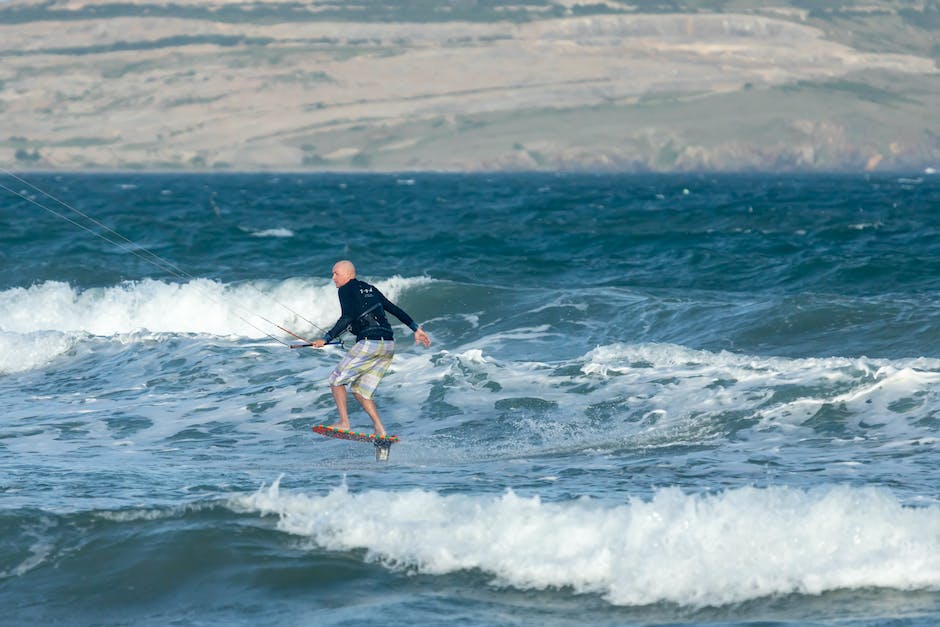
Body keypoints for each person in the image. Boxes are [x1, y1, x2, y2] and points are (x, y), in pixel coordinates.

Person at [312, 260, 431, 437]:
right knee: (361, 391)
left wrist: (326, 338)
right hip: (388, 345)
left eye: (336, 273)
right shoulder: (370, 289)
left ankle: (344, 422)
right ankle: (380, 429)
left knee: (335, 380)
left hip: (369, 343)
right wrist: (416, 328)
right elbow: (394, 309)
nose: (333, 278)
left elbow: (347, 317)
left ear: (348, 274)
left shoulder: (345, 289)